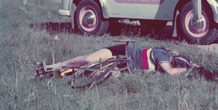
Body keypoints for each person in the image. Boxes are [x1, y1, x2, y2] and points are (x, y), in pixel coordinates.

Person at [41, 41, 198, 76]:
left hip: (123, 66)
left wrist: (192, 66)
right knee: (89, 60)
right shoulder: (162, 55)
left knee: (98, 74)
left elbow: (175, 56)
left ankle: (63, 74)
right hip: (121, 52)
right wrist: (187, 69)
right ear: (172, 60)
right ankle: (56, 65)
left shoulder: (170, 56)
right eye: (173, 64)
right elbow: (169, 71)